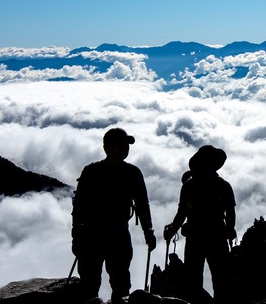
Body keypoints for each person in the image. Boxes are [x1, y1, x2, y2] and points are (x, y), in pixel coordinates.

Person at [72, 128, 156, 304]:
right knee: (110, 284)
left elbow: (142, 205)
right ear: (108, 147)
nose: (125, 148)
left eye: (126, 145)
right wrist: (148, 231)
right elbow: (142, 205)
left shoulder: (92, 171)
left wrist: (148, 230)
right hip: (105, 235)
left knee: (104, 283)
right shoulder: (130, 172)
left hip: (98, 235)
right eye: (122, 145)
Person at [164, 145, 236, 303]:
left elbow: (182, 212)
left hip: (199, 237)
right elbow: (230, 211)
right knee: (215, 279)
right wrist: (230, 229)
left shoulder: (190, 187)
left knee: (207, 279)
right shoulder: (221, 186)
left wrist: (172, 230)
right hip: (212, 236)